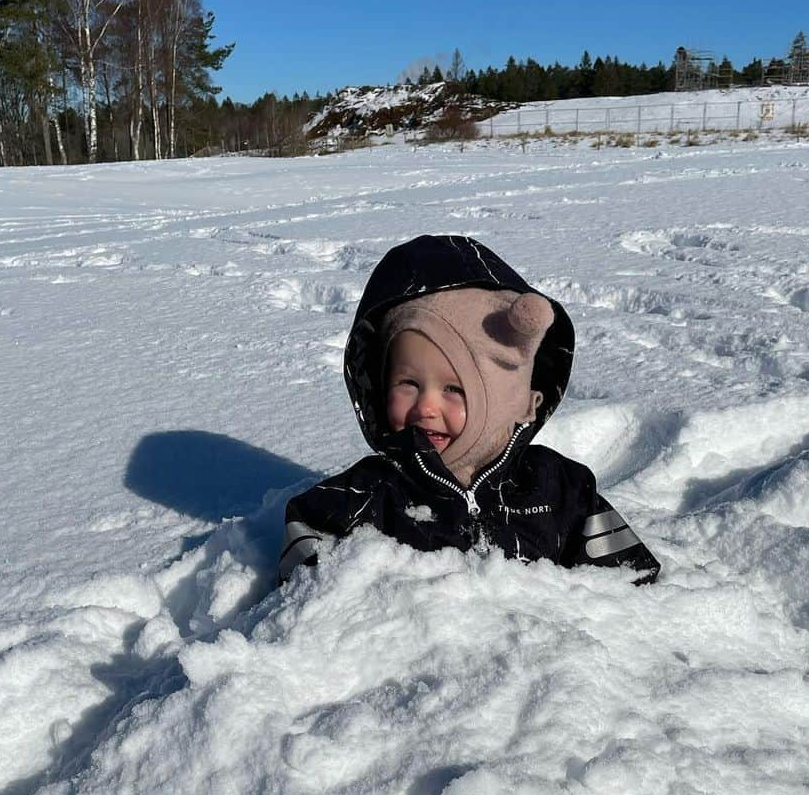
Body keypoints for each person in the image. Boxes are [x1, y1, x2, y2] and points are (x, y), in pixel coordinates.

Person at [278, 234, 660, 584]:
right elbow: (307, 582)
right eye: (408, 384)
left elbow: (630, 589)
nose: (426, 406)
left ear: (507, 398)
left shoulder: (561, 491)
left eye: (453, 389)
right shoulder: (368, 496)